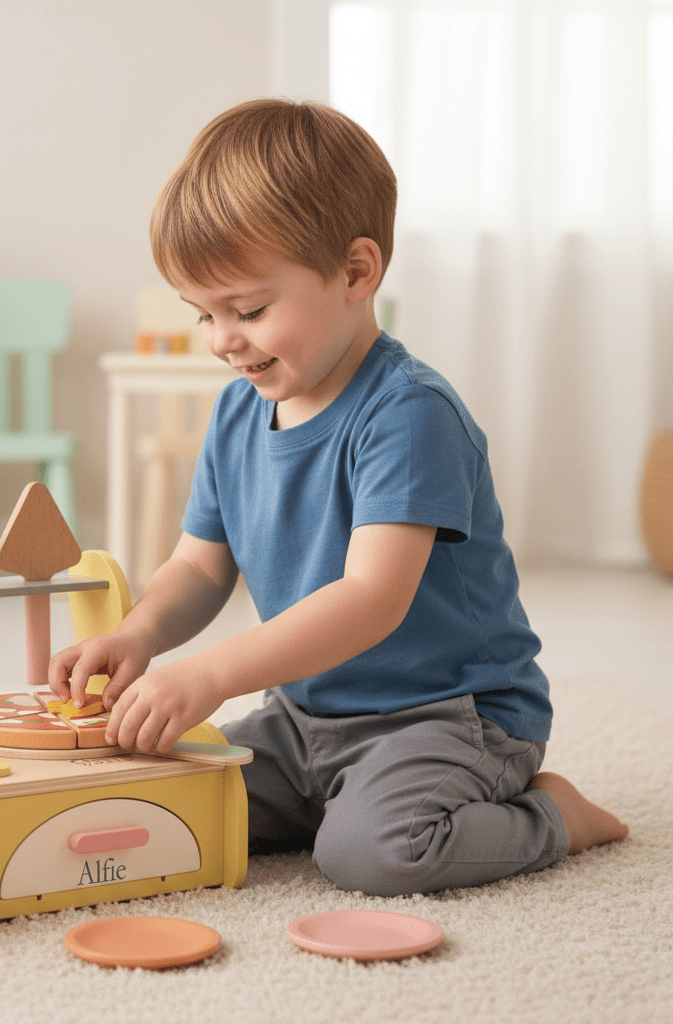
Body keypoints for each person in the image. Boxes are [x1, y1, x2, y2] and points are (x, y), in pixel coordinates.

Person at [48, 98, 628, 896]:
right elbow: (200, 566)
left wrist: (211, 675)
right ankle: (340, 792)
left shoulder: (409, 413)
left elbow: (370, 600)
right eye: (205, 314)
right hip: (306, 719)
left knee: (371, 856)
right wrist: (142, 633)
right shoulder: (236, 412)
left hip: (448, 714)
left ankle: (555, 816)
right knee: (168, 812)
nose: (222, 339)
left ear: (356, 273)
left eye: (248, 309)